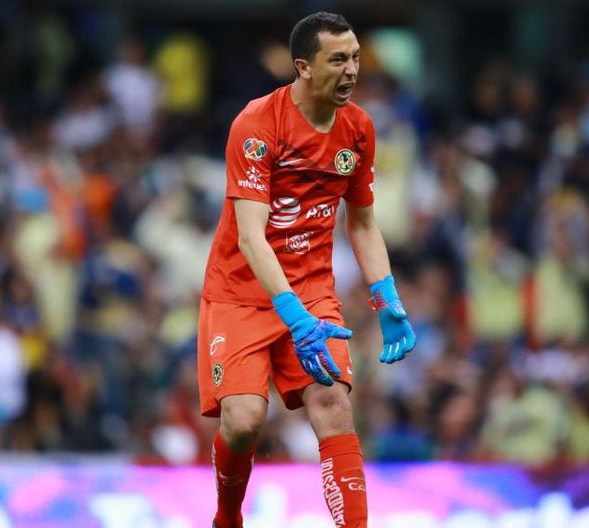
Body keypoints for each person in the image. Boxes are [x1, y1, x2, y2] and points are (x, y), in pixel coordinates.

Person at [197, 11, 416, 528]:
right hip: (240, 293)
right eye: (337, 60)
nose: (352, 70)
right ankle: (227, 518)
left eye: (355, 58)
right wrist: (294, 318)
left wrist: (387, 298)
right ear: (303, 67)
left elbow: (362, 224)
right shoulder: (257, 125)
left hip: (312, 289)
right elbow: (251, 237)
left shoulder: (358, 129)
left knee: (333, 404)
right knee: (245, 420)